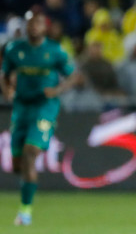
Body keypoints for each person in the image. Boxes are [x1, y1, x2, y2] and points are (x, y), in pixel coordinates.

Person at [0, 13, 80, 226]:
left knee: (30, 152)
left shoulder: (54, 51)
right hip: (22, 107)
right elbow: (4, 74)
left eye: (37, 23)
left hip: (45, 107)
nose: (33, 27)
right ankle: (28, 182)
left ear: (45, 27)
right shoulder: (14, 50)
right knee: (18, 165)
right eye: (30, 23)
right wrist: (7, 90)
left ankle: (25, 212)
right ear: (25, 26)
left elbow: (74, 76)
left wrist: (58, 89)